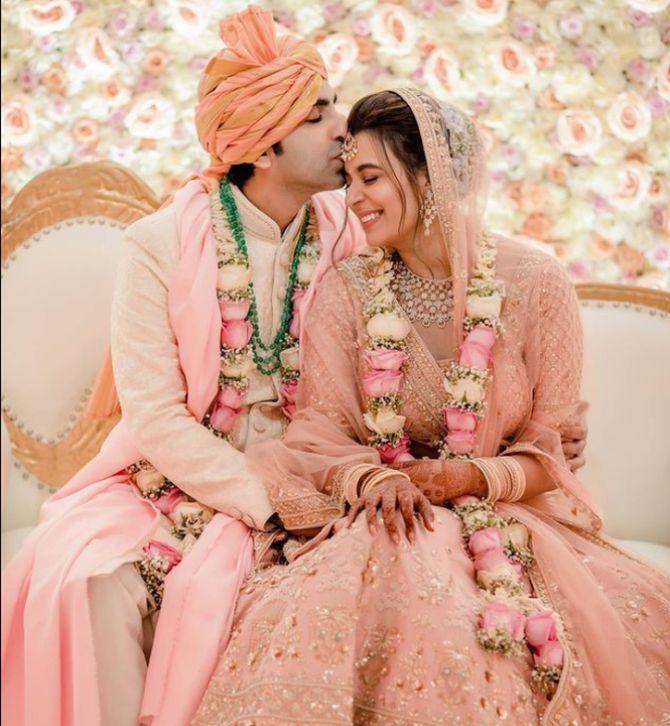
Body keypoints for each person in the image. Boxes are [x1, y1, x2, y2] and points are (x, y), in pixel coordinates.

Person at [193, 90, 670, 724]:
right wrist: (378, 477)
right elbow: (319, 432)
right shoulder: (347, 290)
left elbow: (553, 448)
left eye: (372, 178)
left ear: (431, 176)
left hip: (511, 519)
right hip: (391, 515)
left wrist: (468, 477)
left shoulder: (536, 282)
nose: (354, 198)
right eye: (349, 179)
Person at [1, 7, 369, 726]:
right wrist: (265, 507)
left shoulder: (354, 233)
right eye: (319, 113)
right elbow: (156, 415)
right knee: (90, 583)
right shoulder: (160, 242)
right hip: (171, 479)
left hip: (319, 477)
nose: (343, 129)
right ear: (263, 147)